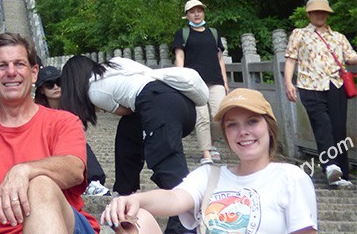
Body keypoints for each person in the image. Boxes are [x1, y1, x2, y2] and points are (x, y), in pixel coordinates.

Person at [0, 33, 100, 234]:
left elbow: (74, 169)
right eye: (2, 66)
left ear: (34, 73)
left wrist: (24, 170)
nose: (11, 72)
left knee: (40, 184)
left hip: (62, 226)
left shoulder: (63, 122)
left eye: (19, 64)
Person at [101, 88, 318, 234]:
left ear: (269, 128)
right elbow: (174, 198)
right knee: (135, 216)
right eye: (233, 125)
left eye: (252, 122)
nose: (243, 132)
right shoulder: (210, 176)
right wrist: (133, 200)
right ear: (225, 133)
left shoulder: (291, 177)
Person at [60, 56, 196, 234]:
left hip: (158, 104)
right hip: (181, 103)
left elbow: (126, 109)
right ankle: (124, 191)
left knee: (166, 166)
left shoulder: (94, 90)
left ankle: (183, 227)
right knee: (128, 132)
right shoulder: (114, 67)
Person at [284, 0, 357, 188]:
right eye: (315, 11)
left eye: (323, 11)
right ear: (309, 13)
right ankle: (331, 166)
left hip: (336, 85)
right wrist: (288, 83)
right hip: (309, 85)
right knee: (322, 125)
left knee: (338, 129)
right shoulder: (299, 34)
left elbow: (351, 58)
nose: (319, 14)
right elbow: (291, 59)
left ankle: (342, 173)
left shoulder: (338, 37)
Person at [34, 66, 108, 197]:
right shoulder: (36, 110)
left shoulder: (72, 106)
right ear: (41, 90)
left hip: (67, 150)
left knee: (79, 144)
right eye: (50, 85)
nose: (56, 87)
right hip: (46, 149)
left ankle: (93, 182)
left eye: (59, 82)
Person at [173, 0, 228, 165]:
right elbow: (179, 57)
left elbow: (220, 59)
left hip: (215, 79)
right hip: (194, 82)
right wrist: (181, 78)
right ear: (187, 15)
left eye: (199, 10)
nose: (196, 14)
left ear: (203, 12)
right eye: (192, 11)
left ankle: (211, 145)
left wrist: (225, 82)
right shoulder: (183, 33)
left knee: (219, 115)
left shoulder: (213, 33)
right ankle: (206, 154)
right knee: (202, 117)